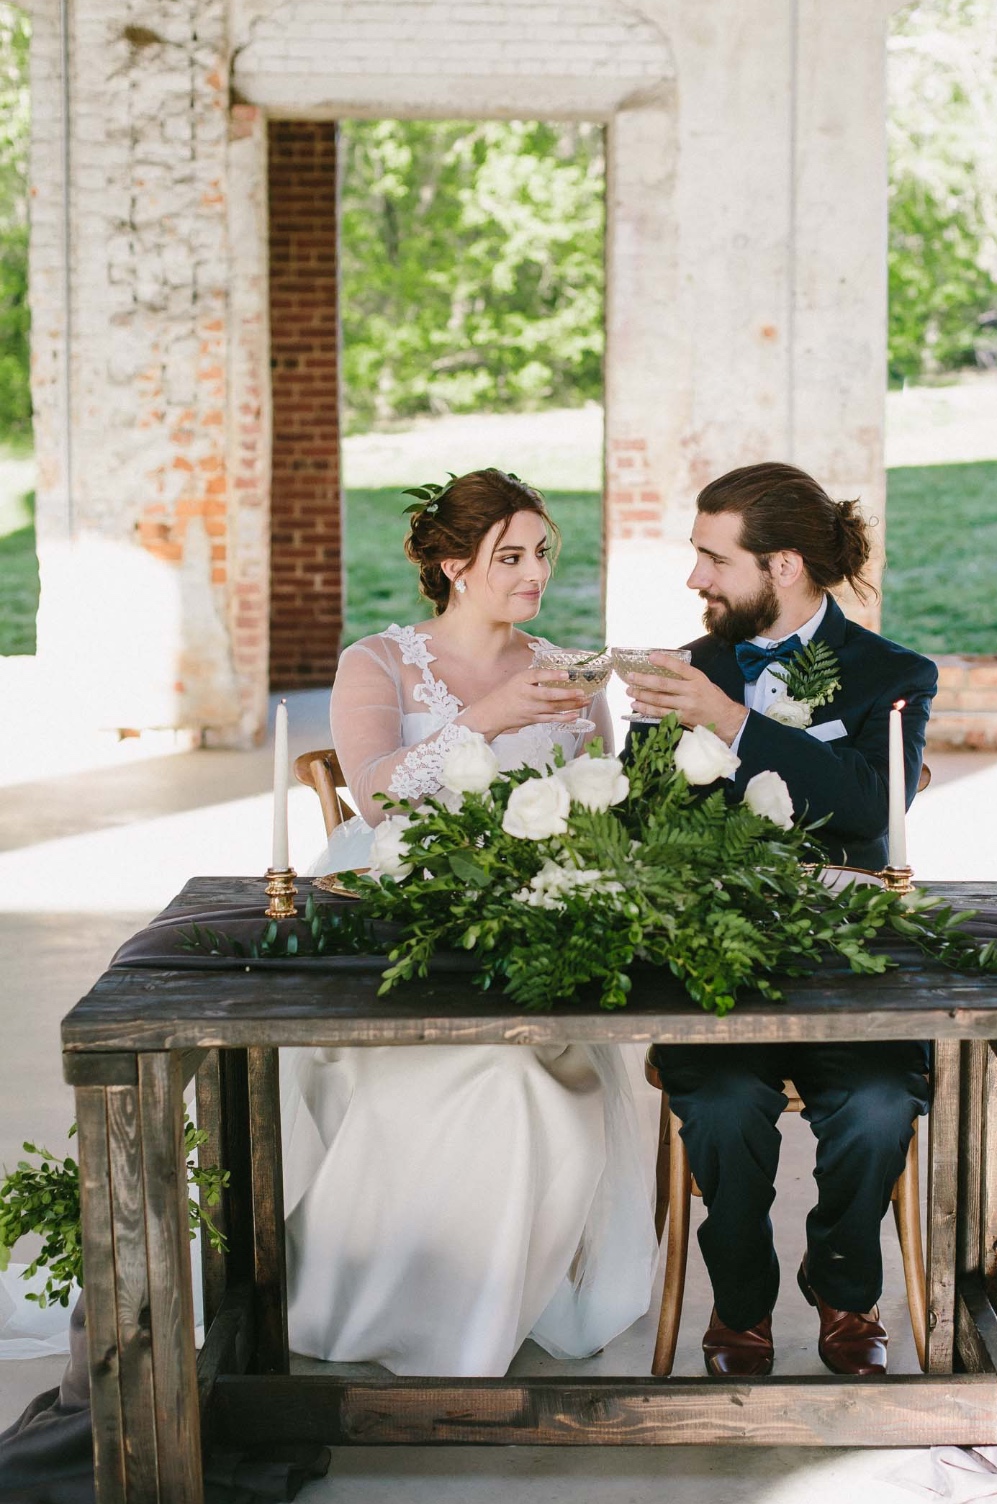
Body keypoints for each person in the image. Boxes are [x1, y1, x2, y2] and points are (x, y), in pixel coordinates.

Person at [282, 468, 659, 1377]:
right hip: (404, 928)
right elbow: (373, 798)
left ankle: (496, 1305)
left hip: (534, 931)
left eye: (542, 554)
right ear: (454, 564)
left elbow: (604, 813)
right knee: (489, 1084)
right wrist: (486, 720)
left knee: (535, 1084)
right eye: (511, 556)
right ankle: (416, 1313)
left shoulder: (568, 672)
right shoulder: (377, 662)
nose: (535, 574)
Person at [626, 461, 938, 1380]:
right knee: (721, 1108)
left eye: (713, 560)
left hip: (852, 973)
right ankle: (741, 1303)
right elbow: (640, 828)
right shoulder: (683, 670)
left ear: (786, 564)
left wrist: (732, 725)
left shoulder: (893, 675)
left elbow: (875, 814)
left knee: (881, 1106)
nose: (696, 580)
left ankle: (845, 1286)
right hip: (712, 970)